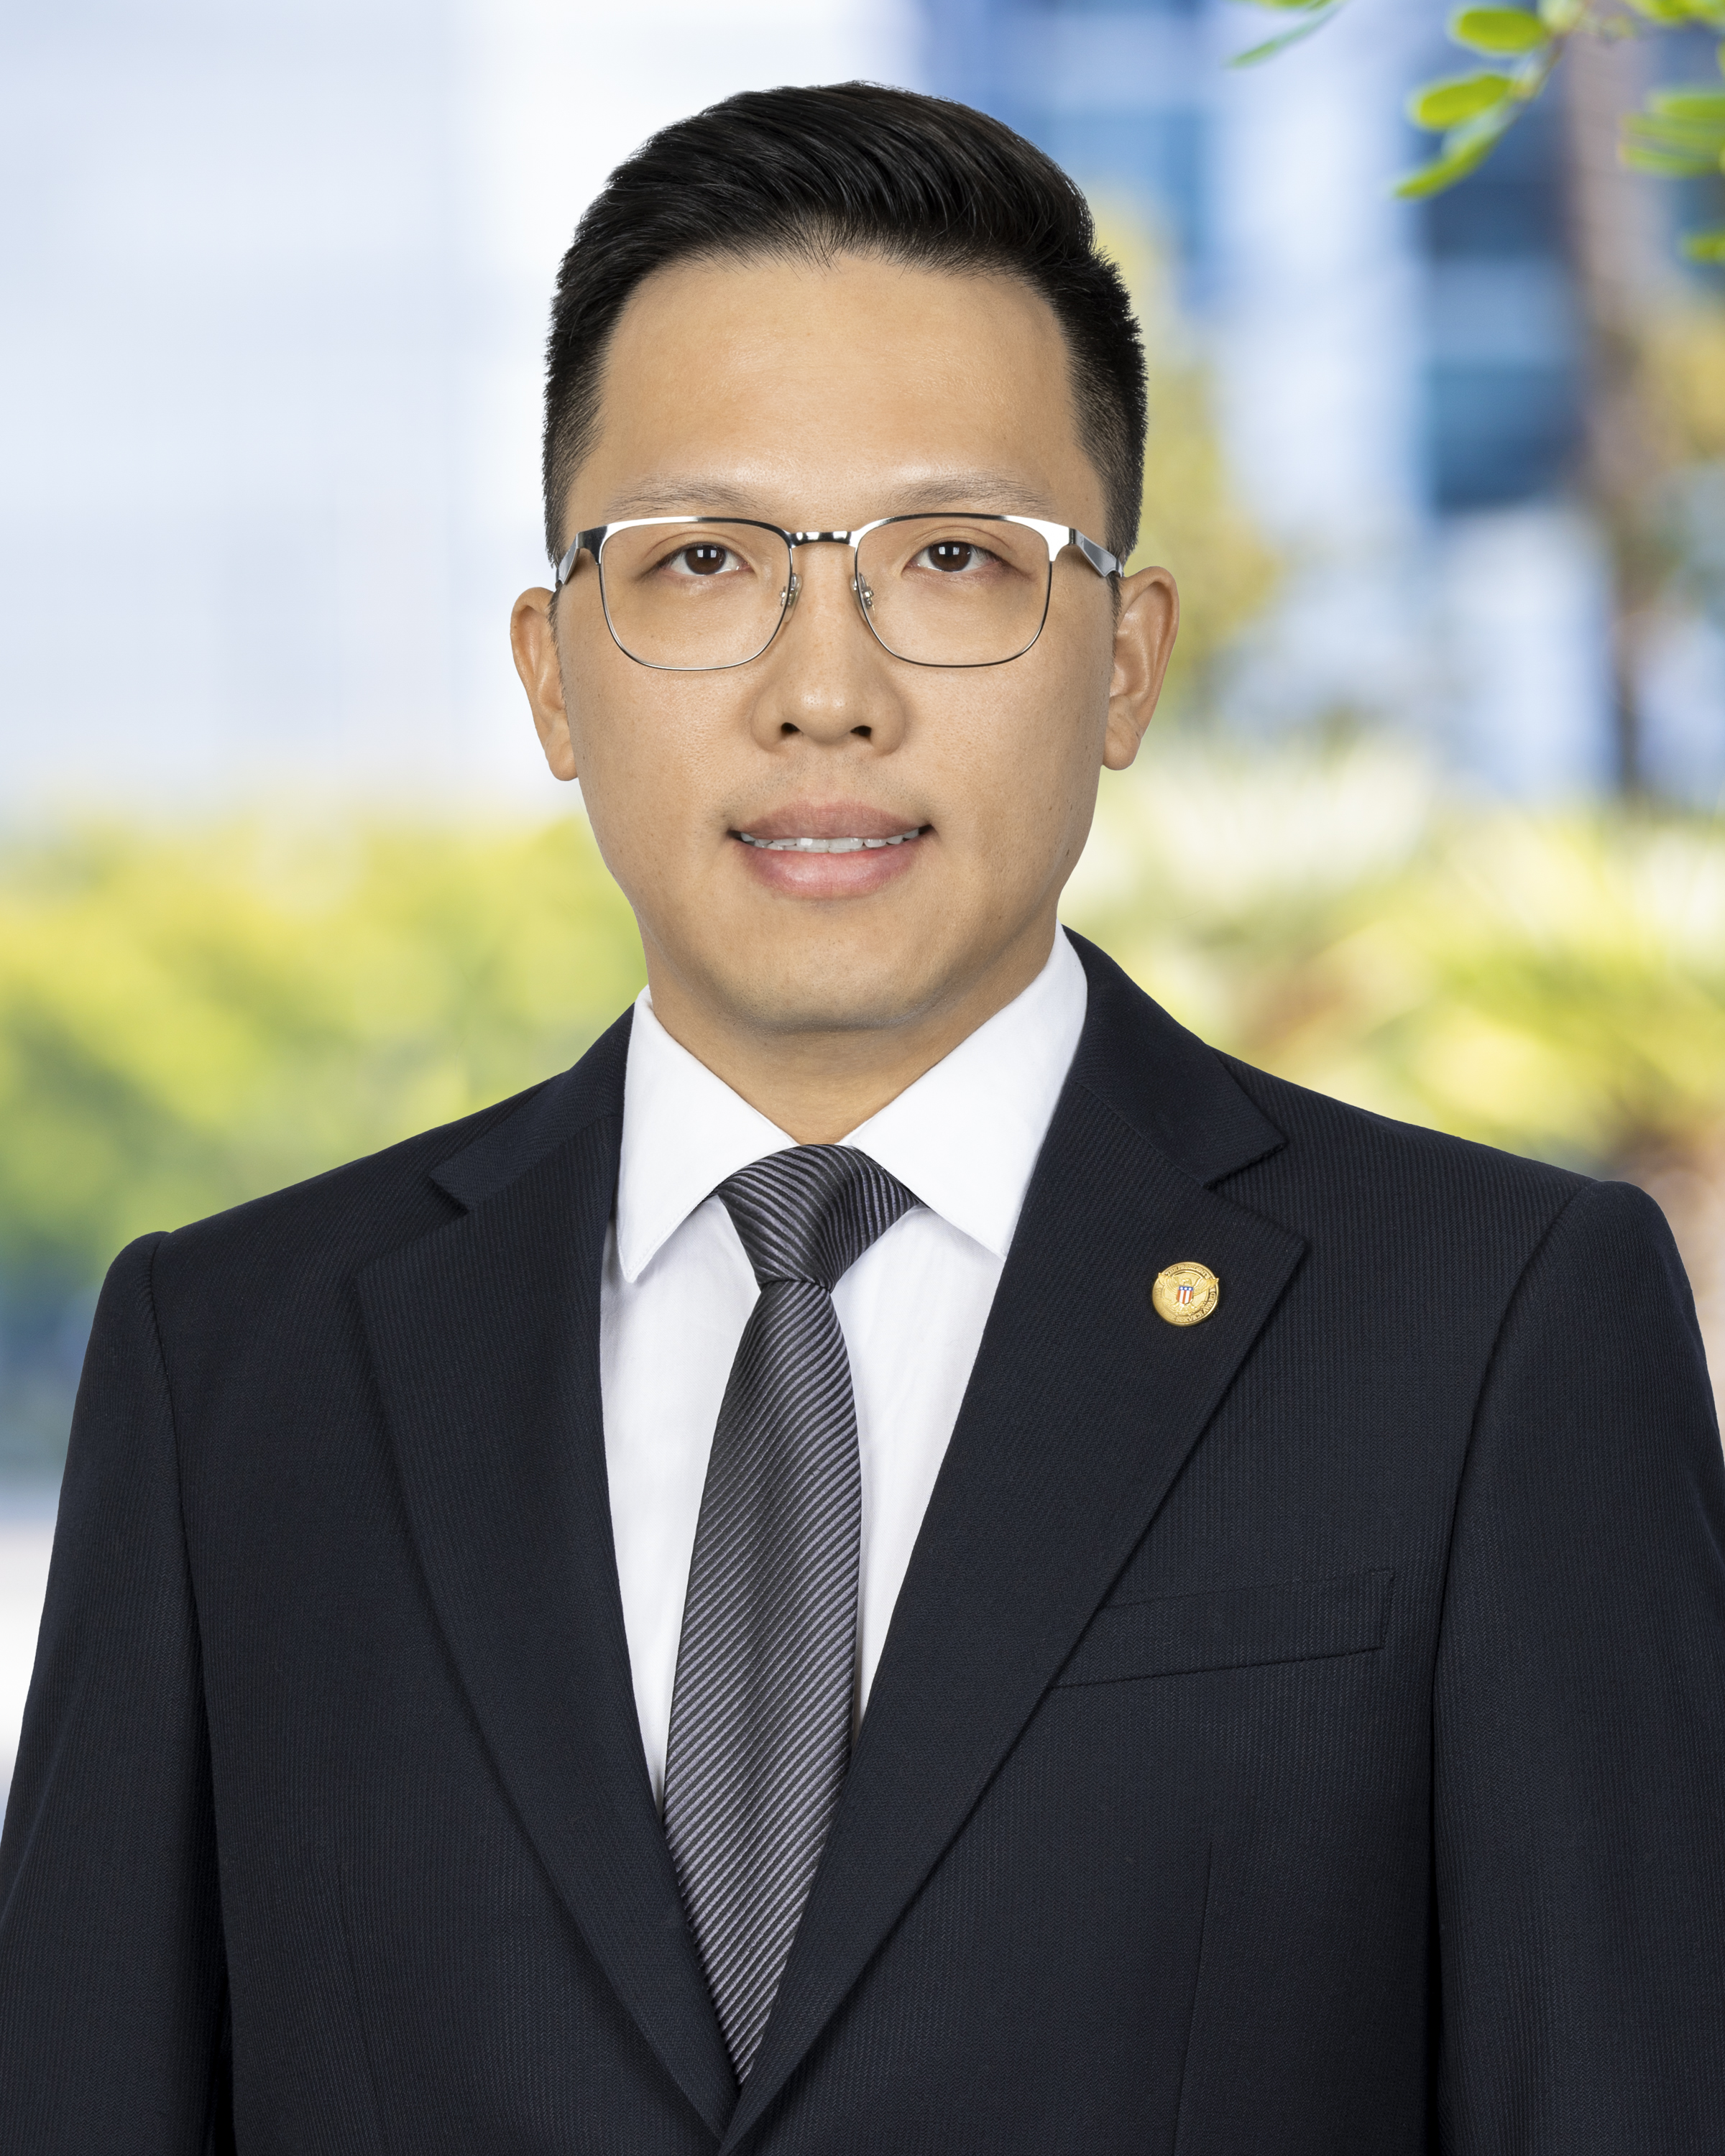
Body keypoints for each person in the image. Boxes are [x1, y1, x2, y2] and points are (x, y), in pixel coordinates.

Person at [3, 80, 1722, 2156]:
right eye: (703, 559)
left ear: (1126, 661)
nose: (827, 689)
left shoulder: (1492, 1331)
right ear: (552, 673)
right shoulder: (234, 1367)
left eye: (955, 558)